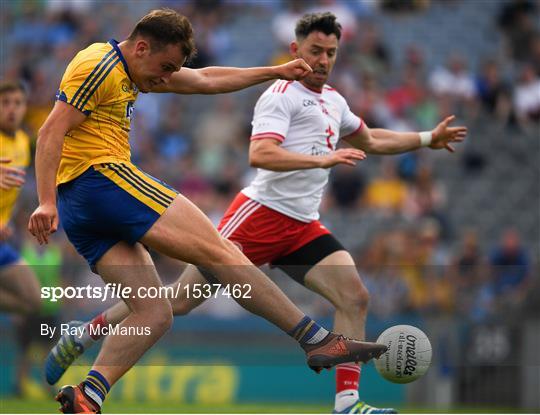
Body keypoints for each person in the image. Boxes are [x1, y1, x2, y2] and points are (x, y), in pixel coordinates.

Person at [46, 12, 467, 414]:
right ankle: (315, 338)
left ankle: (89, 395)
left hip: (300, 223)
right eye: (314, 50)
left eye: (331, 52)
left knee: (157, 312)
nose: (165, 78)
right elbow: (259, 152)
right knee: (210, 263)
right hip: (128, 185)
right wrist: (45, 201)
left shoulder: (334, 101)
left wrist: (426, 136)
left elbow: (206, 79)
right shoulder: (103, 65)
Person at [0, 81, 41, 316]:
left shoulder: (24, 143)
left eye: (17, 103)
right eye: (5, 103)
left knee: (33, 301)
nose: (12, 109)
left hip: (2, 239)